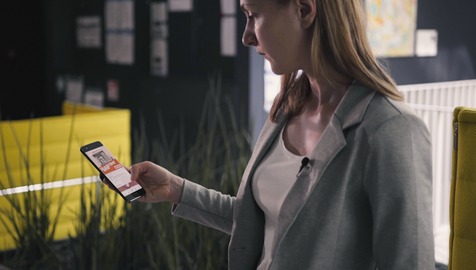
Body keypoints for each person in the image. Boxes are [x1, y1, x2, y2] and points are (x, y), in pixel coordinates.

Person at [103, 0, 435, 268]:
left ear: (304, 10)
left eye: (253, 15)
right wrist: (176, 189)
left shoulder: (391, 130)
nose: (247, 36)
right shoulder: (288, 106)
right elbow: (270, 224)